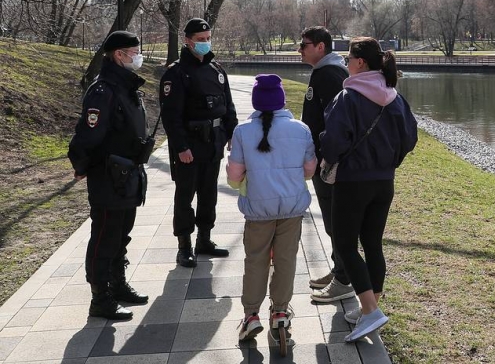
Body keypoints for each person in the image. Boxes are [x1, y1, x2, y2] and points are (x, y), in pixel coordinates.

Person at [320, 37, 418, 342]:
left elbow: (333, 140)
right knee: (372, 243)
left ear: (360, 62)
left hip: (353, 181)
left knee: (346, 246)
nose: (345, 62)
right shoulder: (395, 98)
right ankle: (370, 306)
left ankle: (370, 310)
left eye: (348, 57)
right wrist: (390, 162)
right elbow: (410, 138)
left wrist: (328, 160)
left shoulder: (348, 97)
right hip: (383, 182)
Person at [226, 74, 317, 342]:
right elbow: (310, 170)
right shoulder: (301, 129)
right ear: (282, 101)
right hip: (292, 208)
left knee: (256, 260)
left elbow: (234, 177)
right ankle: (280, 312)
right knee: (286, 261)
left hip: (257, 210)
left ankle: (251, 315)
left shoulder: (242, 132)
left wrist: (239, 180)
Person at [68, 30, 151, 320]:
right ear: (119, 54)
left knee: (121, 234)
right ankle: (99, 297)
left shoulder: (125, 86)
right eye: (134, 51)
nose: (137, 56)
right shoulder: (103, 90)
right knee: (105, 236)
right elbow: (89, 134)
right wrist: (80, 165)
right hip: (108, 174)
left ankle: (117, 284)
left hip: (127, 173)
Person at [159, 17, 237, 268]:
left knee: (209, 193)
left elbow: (228, 105)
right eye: (200, 40)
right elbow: (171, 117)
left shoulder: (216, 70)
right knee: (185, 196)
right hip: (190, 145)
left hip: (213, 142)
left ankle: (205, 239)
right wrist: (181, 147)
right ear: (188, 41)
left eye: (207, 38)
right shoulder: (177, 73)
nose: (205, 43)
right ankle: (184, 246)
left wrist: (232, 133)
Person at [297, 26, 355, 303]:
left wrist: (327, 157)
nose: (300, 49)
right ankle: (340, 269)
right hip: (324, 159)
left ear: (321, 47)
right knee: (333, 221)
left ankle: (345, 279)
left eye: (304, 44)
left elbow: (337, 122)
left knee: (336, 220)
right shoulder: (325, 71)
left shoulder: (330, 74)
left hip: (330, 162)